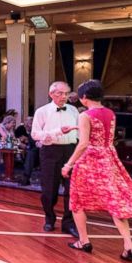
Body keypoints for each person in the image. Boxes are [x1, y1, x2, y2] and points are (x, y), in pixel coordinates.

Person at [62, 80, 132, 260]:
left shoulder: (85, 115)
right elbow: (100, 130)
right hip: (109, 158)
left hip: (90, 160)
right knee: (115, 201)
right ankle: (128, 244)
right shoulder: (110, 113)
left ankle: (84, 241)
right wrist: (74, 127)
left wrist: (69, 164)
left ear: (84, 97)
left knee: (77, 200)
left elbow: (84, 143)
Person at [31, 81, 81, 237]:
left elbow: (79, 133)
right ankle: (49, 219)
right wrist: (57, 132)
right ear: (51, 94)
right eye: (60, 93)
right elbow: (35, 135)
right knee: (49, 190)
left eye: (66, 93)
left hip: (71, 151)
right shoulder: (42, 111)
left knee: (72, 190)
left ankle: (68, 223)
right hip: (50, 152)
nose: (64, 96)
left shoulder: (74, 111)